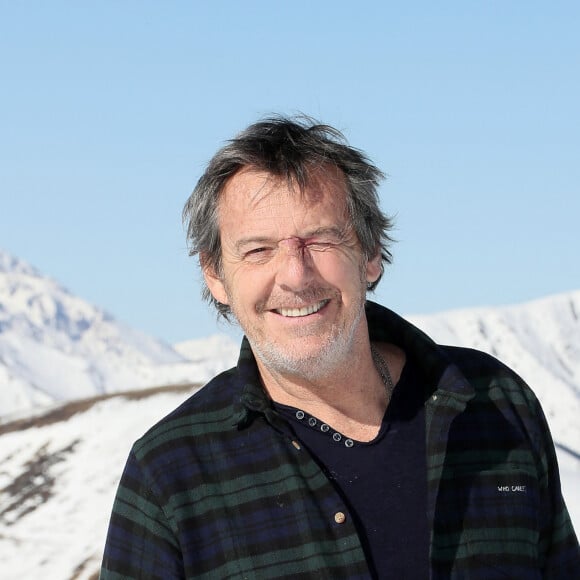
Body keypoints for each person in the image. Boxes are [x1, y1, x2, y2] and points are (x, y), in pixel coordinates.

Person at [101, 116, 579, 579]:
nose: (295, 274)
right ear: (215, 275)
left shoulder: (495, 403)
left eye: (321, 239)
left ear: (369, 254)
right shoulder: (169, 475)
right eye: (258, 250)